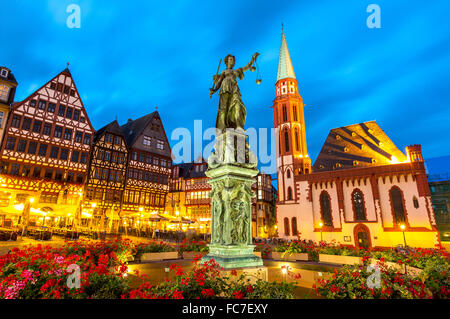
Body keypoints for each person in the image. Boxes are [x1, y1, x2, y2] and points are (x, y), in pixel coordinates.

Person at [210, 52, 260, 131]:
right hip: (225, 89)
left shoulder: (237, 71)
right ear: (227, 62)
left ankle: (238, 126)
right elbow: (219, 82)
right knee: (224, 109)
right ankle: (224, 127)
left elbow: (247, 66)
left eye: (233, 60)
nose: (232, 61)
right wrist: (214, 89)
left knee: (238, 104)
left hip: (234, 89)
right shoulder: (224, 72)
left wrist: (253, 58)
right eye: (230, 59)